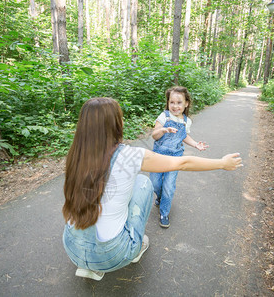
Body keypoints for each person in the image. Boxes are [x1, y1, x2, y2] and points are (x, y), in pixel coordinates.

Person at [62, 97, 242, 281]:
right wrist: (221, 163)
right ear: (115, 124)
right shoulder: (130, 155)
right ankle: (133, 248)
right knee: (143, 183)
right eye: (120, 117)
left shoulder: (76, 153)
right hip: (113, 254)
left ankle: (89, 264)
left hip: (72, 247)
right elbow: (184, 162)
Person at [150, 86, 209, 228]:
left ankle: (164, 212)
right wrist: (164, 130)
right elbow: (154, 135)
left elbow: (184, 136)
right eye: (172, 102)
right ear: (168, 103)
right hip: (158, 155)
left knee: (169, 186)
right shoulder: (164, 116)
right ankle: (160, 197)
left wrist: (195, 144)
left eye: (179, 103)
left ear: (186, 103)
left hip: (175, 157)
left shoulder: (186, 121)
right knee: (155, 183)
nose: (175, 106)